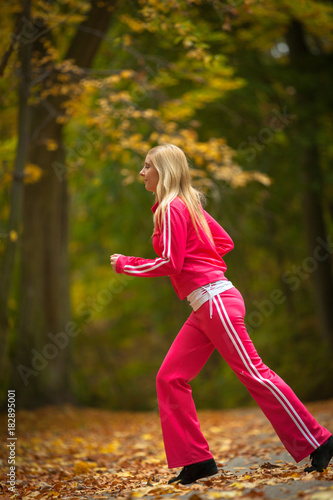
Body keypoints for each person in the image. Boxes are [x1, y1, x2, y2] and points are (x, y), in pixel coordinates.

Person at [110, 143, 333, 484]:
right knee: (169, 378)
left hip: (216, 302)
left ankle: (321, 440)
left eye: (147, 166)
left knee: (254, 374)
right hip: (205, 307)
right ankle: (197, 460)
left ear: (164, 171)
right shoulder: (189, 205)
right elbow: (224, 242)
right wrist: (201, 259)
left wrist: (127, 264)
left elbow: (171, 263)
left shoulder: (171, 208)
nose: (141, 173)